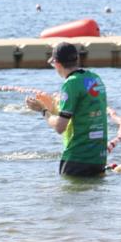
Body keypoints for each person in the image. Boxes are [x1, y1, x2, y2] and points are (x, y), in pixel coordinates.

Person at [26, 42, 107, 178]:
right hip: (98, 158)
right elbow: (82, 112)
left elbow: (60, 127)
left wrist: (43, 110)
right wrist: (54, 107)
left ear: (57, 64)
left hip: (77, 158)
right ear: (77, 59)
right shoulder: (94, 78)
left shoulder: (71, 83)